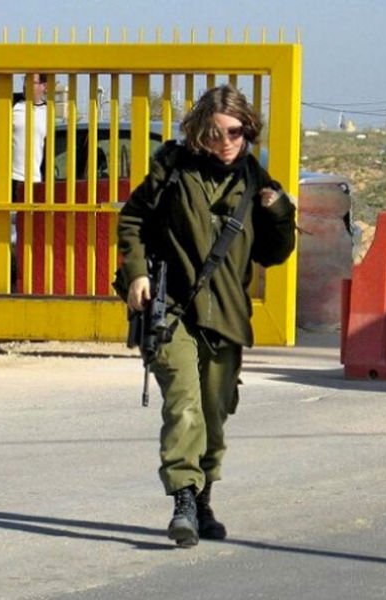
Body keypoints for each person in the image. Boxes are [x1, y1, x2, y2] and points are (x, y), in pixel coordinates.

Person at [117, 84, 296, 547]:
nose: (226, 142)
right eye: (215, 133)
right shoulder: (173, 169)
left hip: (227, 315)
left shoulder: (256, 182)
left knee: (214, 415)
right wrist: (136, 273)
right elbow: (133, 219)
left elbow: (274, 254)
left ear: (247, 130)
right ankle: (182, 498)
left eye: (235, 132)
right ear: (200, 132)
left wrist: (278, 212)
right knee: (184, 405)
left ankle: (203, 499)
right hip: (173, 309)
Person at [0, 73, 48, 290]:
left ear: (44, 86)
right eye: (25, 81)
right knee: (0, 234)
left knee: (29, 235)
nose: (27, 85)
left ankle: (25, 280)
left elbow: (48, 149)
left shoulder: (49, 112)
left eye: (32, 82)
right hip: (4, 178)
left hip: (33, 182)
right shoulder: (9, 104)